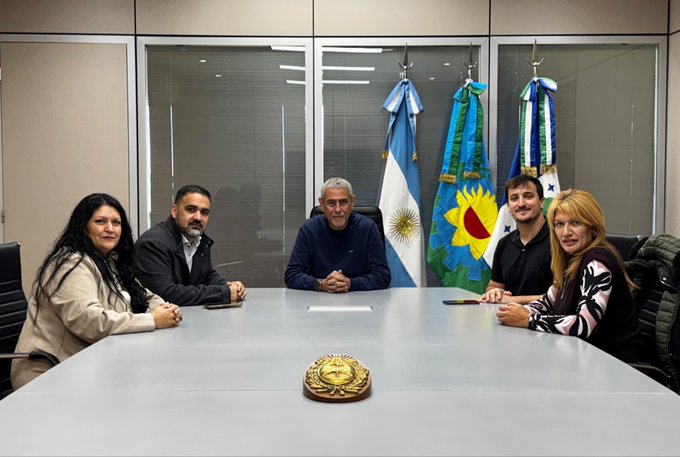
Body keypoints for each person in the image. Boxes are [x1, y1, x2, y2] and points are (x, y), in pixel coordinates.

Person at [11, 193, 181, 389]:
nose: (110, 228)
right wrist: (152, 320)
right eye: (100, 221)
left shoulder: (109, 260)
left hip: (86, 363)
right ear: (84, 226)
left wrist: (164, 310)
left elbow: (143, 295)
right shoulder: (70, 263)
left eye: (116, 223)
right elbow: (89, 322)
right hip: (47, 372)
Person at [496, 188, 645, 363]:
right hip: (586, 359)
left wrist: (528, 320)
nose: (566, 232)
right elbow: (547, 302)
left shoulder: (597, 263)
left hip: (619, 366)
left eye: (575, 223)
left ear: (593, 227)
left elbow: (583, 325)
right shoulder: (572, 259)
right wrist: (513, 312)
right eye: (559, 224)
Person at [135, 184, 247, 306]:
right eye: (191, 209)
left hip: (185, 314)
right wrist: (223, 293)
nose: (198, 218)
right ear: (174, 211)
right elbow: (167, 294)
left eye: (204, 212)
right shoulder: (153, 244)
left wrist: (228, 285)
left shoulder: (199, 239)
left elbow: (207, 275)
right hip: (154, 316)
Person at [284, 177, 391, 292]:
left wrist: (350, 283)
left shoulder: (367, 228)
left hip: (360, 297)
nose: (338, 209)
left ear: (352, 202)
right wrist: (321, 284)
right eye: (331, 203)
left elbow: (382, 276)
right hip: (318, 298)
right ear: (322, 204)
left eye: (343, 202)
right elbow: (292, 275)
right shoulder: (309, 229)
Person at [482, 175, 553, 304]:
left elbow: (563, 296)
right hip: (506, 315)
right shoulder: (504, 243)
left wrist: (512, 300)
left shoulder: (559, 240)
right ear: (508, 207)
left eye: (528, 196)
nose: (521, 204)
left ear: (542, 202)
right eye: (514, 198)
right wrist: (494, 292)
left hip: (546, 316)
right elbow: (494, 285)